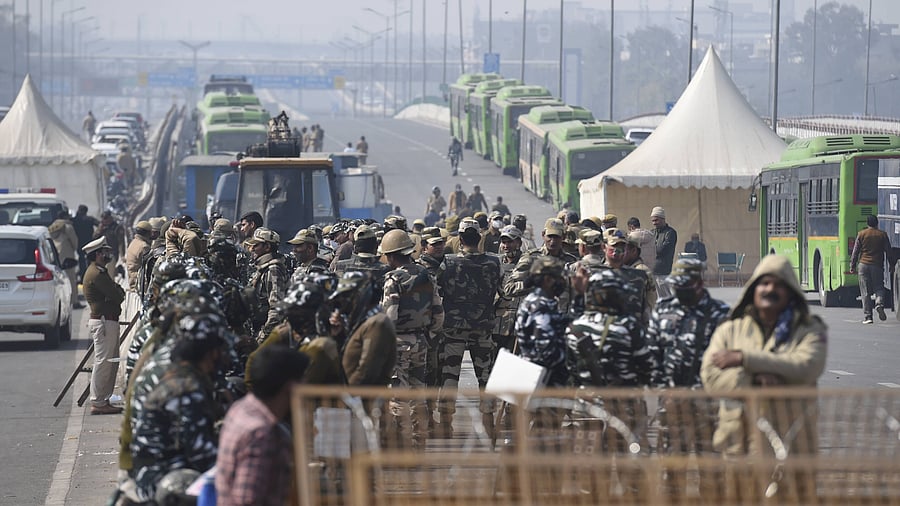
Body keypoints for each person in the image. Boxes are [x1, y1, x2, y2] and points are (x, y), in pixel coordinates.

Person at [700, 255, 827, 456]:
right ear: (753, 290)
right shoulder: (730, 329)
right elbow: (710, 376)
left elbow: (806, 367)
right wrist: (754, 379)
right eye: (764, 283)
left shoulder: (809, 330)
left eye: (778, 285)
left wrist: (744, 359)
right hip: (738, 450)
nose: (770, 289)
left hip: (792, 451)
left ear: (790, 292)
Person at [131, 313, 228, 503]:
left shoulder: (181, 376)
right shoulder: (187, 388)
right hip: (162, 479)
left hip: (161, 470)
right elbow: (201, 453)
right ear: (210, 352)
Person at [648, 258, 729, 460]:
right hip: (671, 403)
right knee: (671, 470)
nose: (678, 290)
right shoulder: (663, 309)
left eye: (684, 285)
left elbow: (729, 359)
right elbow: (652, 353)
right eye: (676, 285)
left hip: (709, 404)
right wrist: (662, 389)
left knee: (711, 470)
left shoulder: (719, 313)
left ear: (698, 283)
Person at [216, 345, 309, 506]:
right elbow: (248, 500)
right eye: (303, 380)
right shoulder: (262, 433)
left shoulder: (241, 409)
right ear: (291, 387)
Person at [437, 218, 501, 437]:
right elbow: (503, 291)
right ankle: (488, 419)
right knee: (485, 376)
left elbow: (439, 290)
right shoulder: (494, 262)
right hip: (483, 326)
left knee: (449, 374)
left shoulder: (448, 262)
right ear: (479, 237)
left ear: (460, 238)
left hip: (454, 327)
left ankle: (446, 422)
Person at [381, 229, 444, 449]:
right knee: (419, 394)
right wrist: (429, 333)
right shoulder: (426, 274)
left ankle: (403, 446)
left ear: (391, 255)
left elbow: (390, 316)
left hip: (399, 342)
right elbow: (438, 311)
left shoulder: (393, 279)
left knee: (398, 395)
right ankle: (420, 443)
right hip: (421, 341)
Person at [82, 236, 126, 415]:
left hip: (108, 320)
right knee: (103, 362)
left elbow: (116, 292)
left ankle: (103, 399)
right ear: (98, 254)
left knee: (110, 362)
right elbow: (118, 295)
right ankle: (98, 402)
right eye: (105, 252)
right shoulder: (96, 274)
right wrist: (116, 292)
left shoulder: (99, 271)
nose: (108, 254)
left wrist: (116, 292)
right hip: (103, 321)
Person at [331, 271, 397, 386]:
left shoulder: (377, 323)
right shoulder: (362, 322)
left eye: (347, 296)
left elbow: (367, 371)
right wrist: (339, 334)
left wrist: (347, 396)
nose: (343, 302)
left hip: (365, 399)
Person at [246, 228, 289, 343]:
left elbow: (277, 309)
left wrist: (262, 338)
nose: (252, 249)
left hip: (265, 334)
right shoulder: (261, 268)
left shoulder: (273, 269)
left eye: (256, 245)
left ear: (267, 247)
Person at [850, 215, 893, 323]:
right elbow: (889, 252)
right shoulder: (882, 235)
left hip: (863, 265)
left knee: (865, 292)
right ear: (877, 223)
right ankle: (879, 303)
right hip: (877, 265)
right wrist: (892, 264)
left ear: (867, 223)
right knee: (879, 287)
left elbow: (855, 252)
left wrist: (852, 266)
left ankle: (868, 317)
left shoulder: (861, 234)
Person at [48, 210, 82, 308]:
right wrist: (74, 249)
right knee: (71, 279)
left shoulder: (51, 228)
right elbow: (74, 242)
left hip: (56, 256)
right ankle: (74, 301)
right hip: (67, 255)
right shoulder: (68, 227)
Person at [650, 206, 678, 297]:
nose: (654, 223)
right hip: (652, 270)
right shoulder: (652, 233)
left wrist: (651, 248)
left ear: (663, 219)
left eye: (656, 220)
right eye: (653, 221)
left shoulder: (670, 233)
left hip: (663, 271)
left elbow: (662, 250)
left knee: (666, 297)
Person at [125, 221, 153, 292]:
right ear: (147, 233)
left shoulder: (133, 242)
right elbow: (150, 266)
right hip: (140, 283)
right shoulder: (144, 247)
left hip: (133, 279)